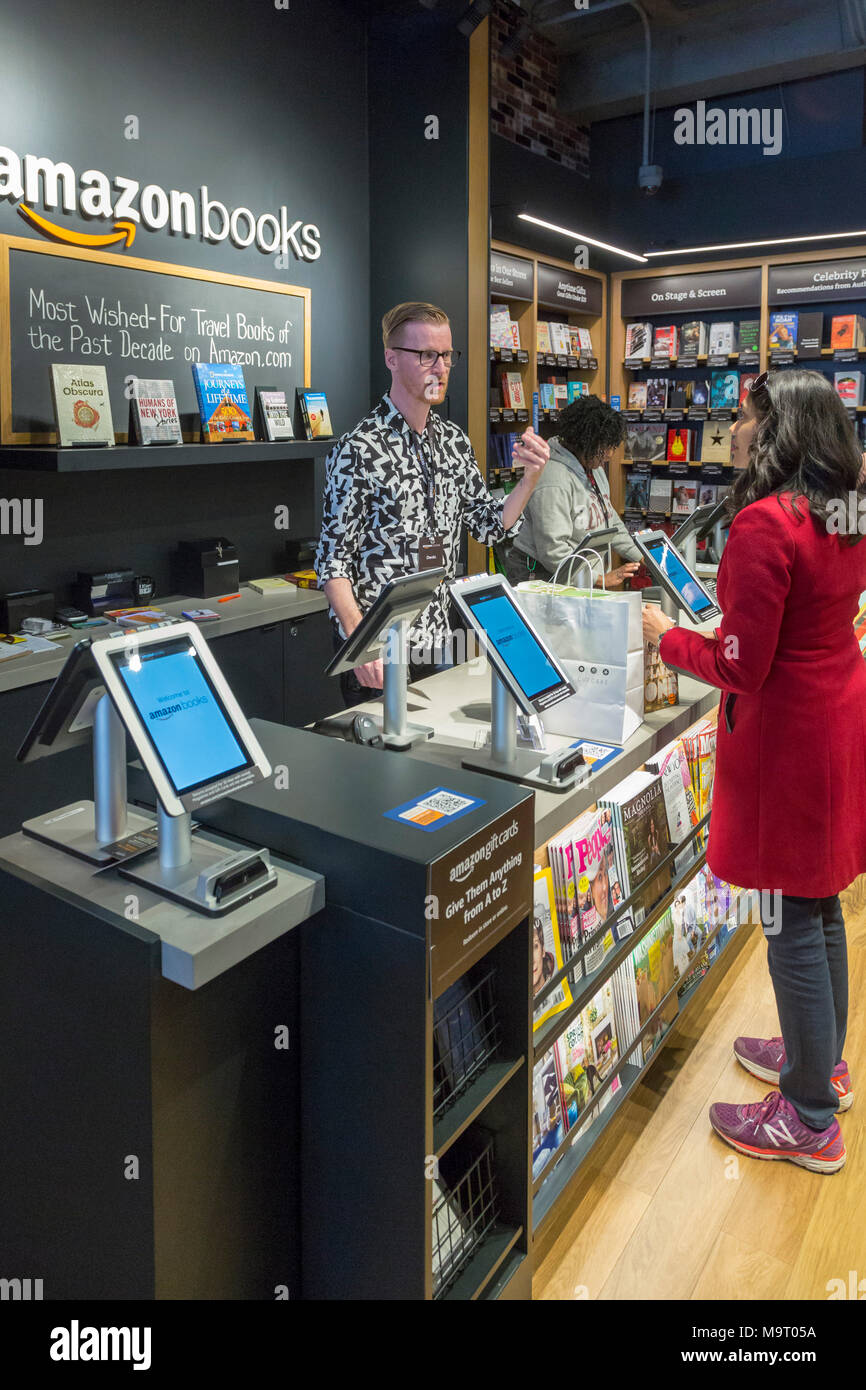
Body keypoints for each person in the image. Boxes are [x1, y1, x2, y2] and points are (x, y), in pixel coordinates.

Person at [642, 369, 866, 1174]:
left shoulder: (766, 525)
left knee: (787, 920)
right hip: (834, 723)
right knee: (819, 902)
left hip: (785, 748)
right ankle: (820, 1062)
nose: (734, 429)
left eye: (747, 416)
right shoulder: (845, 511)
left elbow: (740, 663)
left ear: (777, 432)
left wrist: (668, 634)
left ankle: (808, 1116)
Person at [316, 301, 549, 706]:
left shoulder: (454, 441)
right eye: (426, 355)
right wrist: (360, 643)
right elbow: (332, 562)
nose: (440, 368)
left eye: (446, 355)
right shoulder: (358, 448)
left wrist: (529, 480)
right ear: (391, 358)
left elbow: (488, 526)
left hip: (440, 643)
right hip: (381, 653)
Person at [497, 394, 640, 590]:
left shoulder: (593, 468)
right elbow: (552, 551)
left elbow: (609, 518)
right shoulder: (553, 480)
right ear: (584, 441)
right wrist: (599, 579)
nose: (609, 455)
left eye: (612, 447)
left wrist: (641, 555)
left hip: (575, 574)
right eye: (603, 448)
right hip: (540, 576)